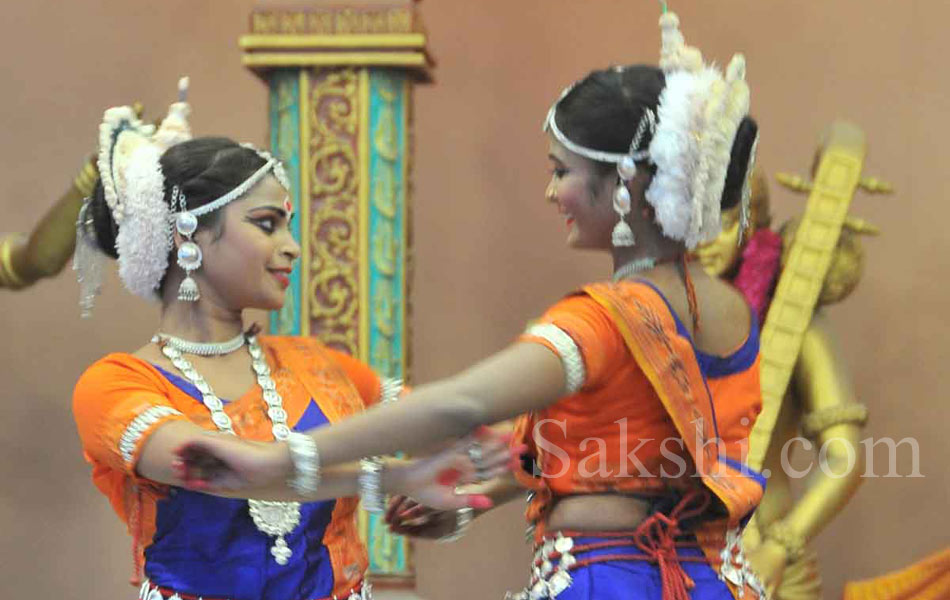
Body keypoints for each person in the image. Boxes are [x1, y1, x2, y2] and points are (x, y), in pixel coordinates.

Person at [174, 9, 770, 600]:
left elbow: (461, 402)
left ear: (623, 185)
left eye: (561, 171)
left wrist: (274, 462)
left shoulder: (603, 319)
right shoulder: (730, 310)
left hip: (609, 584)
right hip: (717, 580)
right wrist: (470, 503)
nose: (551, 191)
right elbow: (621, 453)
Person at [71, 81, 513, 600]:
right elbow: (220, 468)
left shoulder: (321, 367)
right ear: (187, 235)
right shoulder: (116, 385)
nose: (293, 247)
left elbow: (477, 441)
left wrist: (470, 495)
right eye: (267, 224)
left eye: (289, 226)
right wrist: (397, 476)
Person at [693, 165, 874, 599]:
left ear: (753, 222)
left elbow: (844, 457)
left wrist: (780, 545)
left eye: (721, 224)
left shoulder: (793, 324)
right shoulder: (652, 316)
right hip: (664, 560)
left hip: (769, 566)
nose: (701, 242)